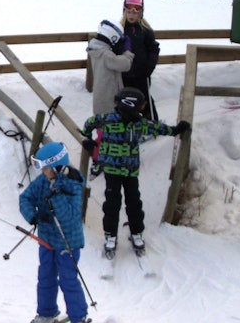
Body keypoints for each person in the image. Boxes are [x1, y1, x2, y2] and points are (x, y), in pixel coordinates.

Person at [81, 87, 190, 257]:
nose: (143, 108)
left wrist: (175, 130)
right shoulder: (108, 120)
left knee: (133, 202)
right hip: (111, 169)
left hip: (130, 171)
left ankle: (136, 232)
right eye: (141, 106)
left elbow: (157, 128)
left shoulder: (139, 124)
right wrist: (87, 140)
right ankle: (111, 235)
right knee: (112, 203)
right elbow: (88, 124)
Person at [18, 141, 90, 323]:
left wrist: (55, 195)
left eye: (46, 168)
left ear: (57, 167)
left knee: (67, 279)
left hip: (68, 242)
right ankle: (47, 314)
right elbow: (25, 198)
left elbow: (70, 217)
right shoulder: (42, 181)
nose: (43, 172)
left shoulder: (72, 185)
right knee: (46, 276)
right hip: (47, 239)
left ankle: (79, 319)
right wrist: (33, 215)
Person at [120, 0, 160, 120]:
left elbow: (153, 49)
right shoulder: (120, 29)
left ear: (140, 14)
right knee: (125, 98)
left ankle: (152, 121)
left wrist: (149, 67)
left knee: (144, 98)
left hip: (141, 73)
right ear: (124, 12)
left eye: (135, 12)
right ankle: (129, 122)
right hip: (124, 73)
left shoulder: (145, 31)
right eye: (129, 11)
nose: (132, 15)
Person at [88, 18, 135, 116]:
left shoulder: (96, 51)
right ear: (113, 37)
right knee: (109, 125)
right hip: (109, 101)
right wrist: (127, 52)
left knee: (102, 123)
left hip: (101, 98)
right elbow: (125, 64)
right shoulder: (107, 55)